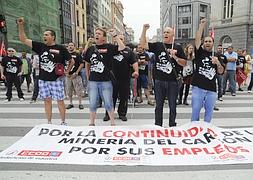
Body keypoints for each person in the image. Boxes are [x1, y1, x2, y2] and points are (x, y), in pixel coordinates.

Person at [17, 17, 75, 125]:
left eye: (47, 35)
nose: (44, 36)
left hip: (56, 80)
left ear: (53, 37)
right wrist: (20, 25)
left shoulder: (61, 48)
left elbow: (71, 61)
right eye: (44, 35)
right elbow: (23, 39)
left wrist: (67, 71)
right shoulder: (40, 46)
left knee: (60, 101)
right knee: (47, 101)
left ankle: (63, 122)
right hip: (43, 79)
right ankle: (49, 122)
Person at [140, 24, 187, 127]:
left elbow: (184, 63)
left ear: (173, 34)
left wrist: (175, 56)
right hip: (159, 81)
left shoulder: (178, 47)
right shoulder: (158, 45)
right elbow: (143, 45)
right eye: (164, 32)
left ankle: (172, 125)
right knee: (159, 106)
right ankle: (158, 125)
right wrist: (144, 30)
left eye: (168, 32)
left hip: (173, 82)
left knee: (173, 106)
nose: (165, 34)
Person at [84, 27, 125, 126]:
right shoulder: (90, 49)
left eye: (99, 34)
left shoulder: (109, 47)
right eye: (96, 33)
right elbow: (87, 63)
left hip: (106, 81)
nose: (96, 35)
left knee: (108, 102)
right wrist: (88, 76)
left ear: (104, 38)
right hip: (93, 81)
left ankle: (112, 123)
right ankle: (92, 122)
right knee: (93, 103)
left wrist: (115, 36)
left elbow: (122, 47)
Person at [191, 18, 224, 123]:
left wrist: (218, 63)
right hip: (198, 87)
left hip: (211, 89)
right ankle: (194, 130)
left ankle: (206, 131)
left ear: (212, 43)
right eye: (205, 41)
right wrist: (201, 26)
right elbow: (197, 40)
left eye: (209, 41)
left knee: (209, 112)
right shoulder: (199, 52)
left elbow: (221, 71)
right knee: (195, 111)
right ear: (203, 43)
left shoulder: (217, 56)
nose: (207, 43)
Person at [103, 34, 139, 122]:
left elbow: (134, 62)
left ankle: (122, 114)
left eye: (121, 39)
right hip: (112, 78)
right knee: (111, 97)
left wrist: (136, 71)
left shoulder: (129, 52)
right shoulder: (111, 50)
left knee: (124, 97)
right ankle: (108, 114)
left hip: (125, 78)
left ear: (124, 41)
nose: (119, 40)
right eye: (118, 39)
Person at [65, 42, 85, 110]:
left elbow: (82, 64)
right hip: (68, 75)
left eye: (72, 45)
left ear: (74, 46)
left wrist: (76, 73)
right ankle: (70, 103)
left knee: (78, 90)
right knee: (69, 90)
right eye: (69, 45)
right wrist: (66, 72)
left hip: (76, 75)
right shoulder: (65, 54)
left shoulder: (77, 54)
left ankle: (80, 103)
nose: (70, 46)